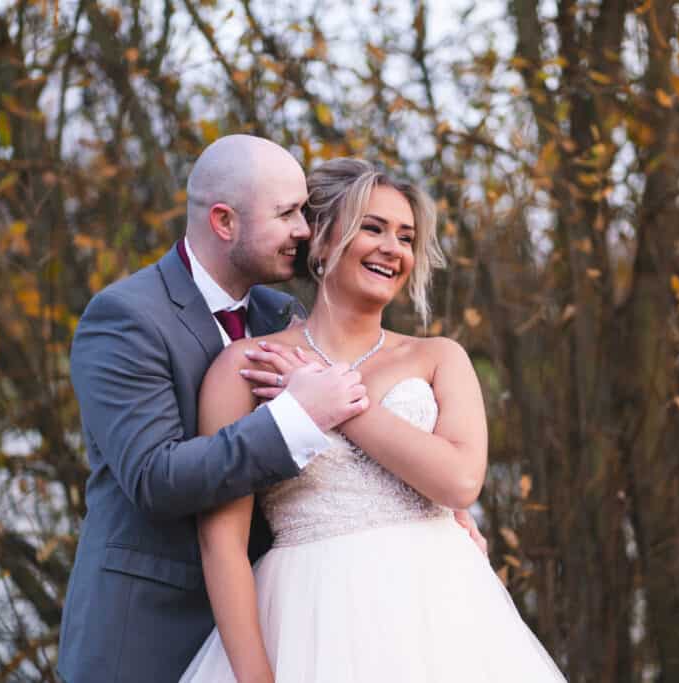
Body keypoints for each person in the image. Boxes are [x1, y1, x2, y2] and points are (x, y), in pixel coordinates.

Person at [180, 158, 566, 682]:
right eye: (373, 228)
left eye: (406, 237)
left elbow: (458, 481)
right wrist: (255, 677)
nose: (394, 249)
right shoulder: (247, 367)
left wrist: (331, 401)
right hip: (308, 619)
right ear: (319, 241)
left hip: (447, 619)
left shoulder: (439, 358)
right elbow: (221, 542)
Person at [58, 136, 373, 683]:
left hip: (273, 624)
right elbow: (156, 478)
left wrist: (435, 509)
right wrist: (295, 419)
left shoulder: (282, 314)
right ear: (224, 222)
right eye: (287, 213)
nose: (304, 229)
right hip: (150, 639)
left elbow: (342, 436)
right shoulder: (124, 319)